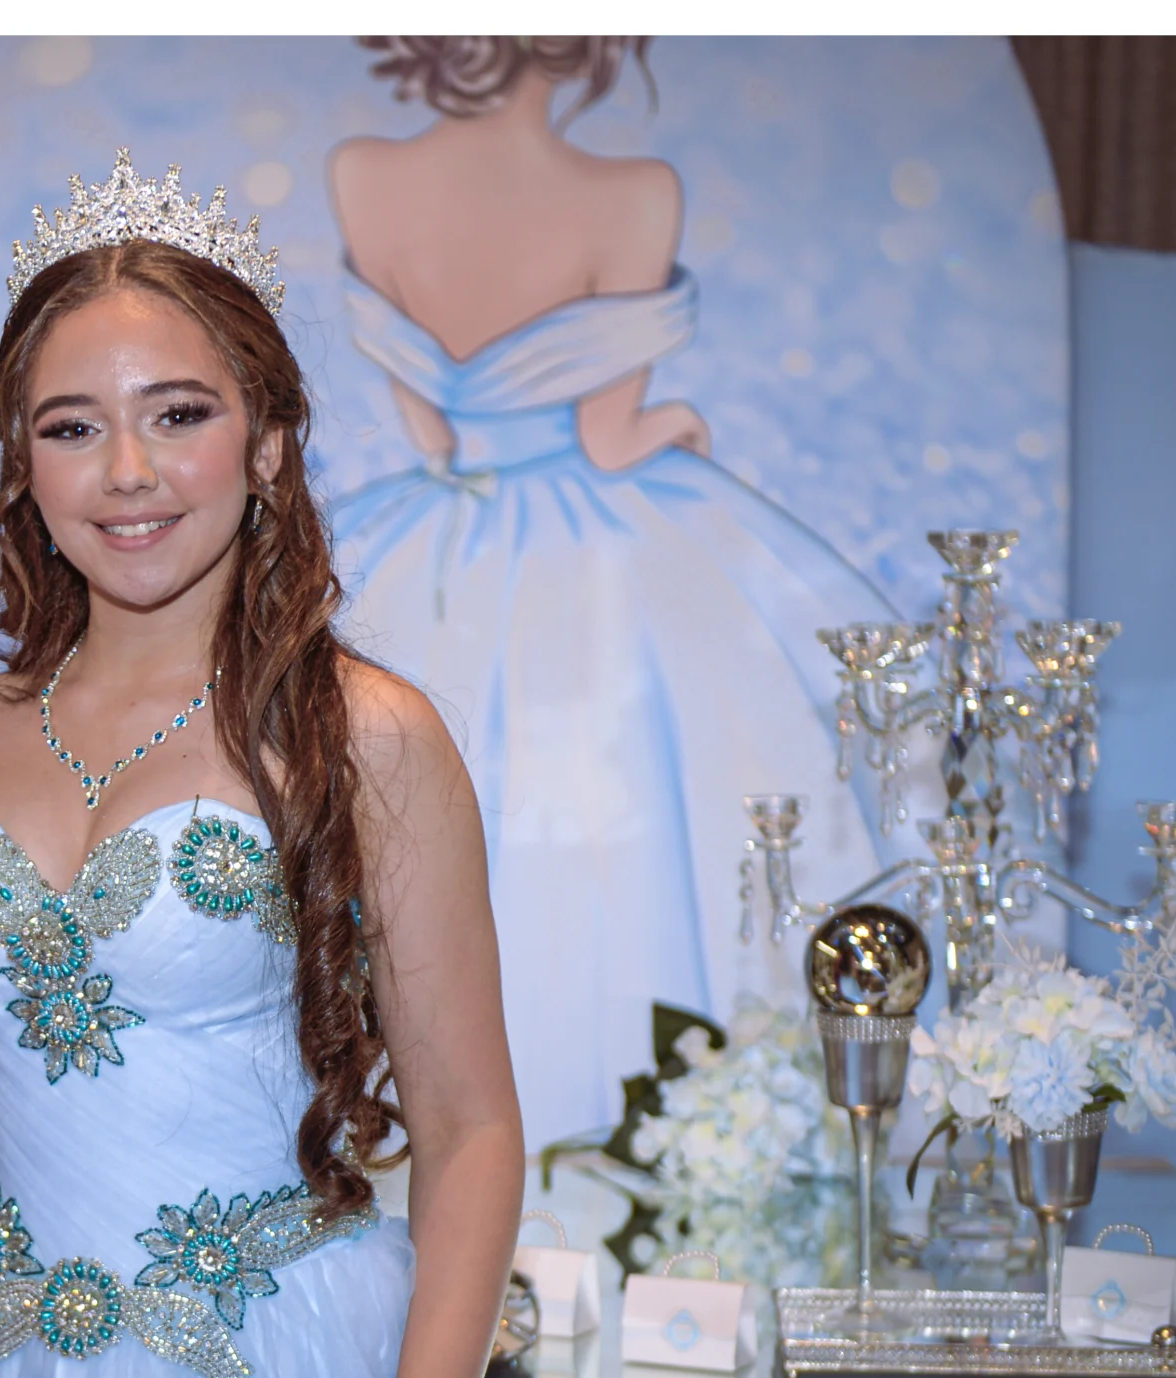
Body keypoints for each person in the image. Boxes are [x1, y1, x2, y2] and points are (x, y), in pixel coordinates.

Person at [0, 151, 560, 1378]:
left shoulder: (366, 735)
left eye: (178, 414)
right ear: (21, 468)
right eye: (71, 427)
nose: (128, 472)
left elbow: (473, 1125)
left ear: (270, 444)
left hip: (277, 1377)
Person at [329, 36, 896, 1145]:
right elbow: (606, 434)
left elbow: (428, 426)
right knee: (624, 816)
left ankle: (413, 1131)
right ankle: (639, 1139)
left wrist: (470, 446)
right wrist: (677, 425)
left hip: (430, 528)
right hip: (584, 546)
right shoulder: (633, 195)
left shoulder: (361, 173)